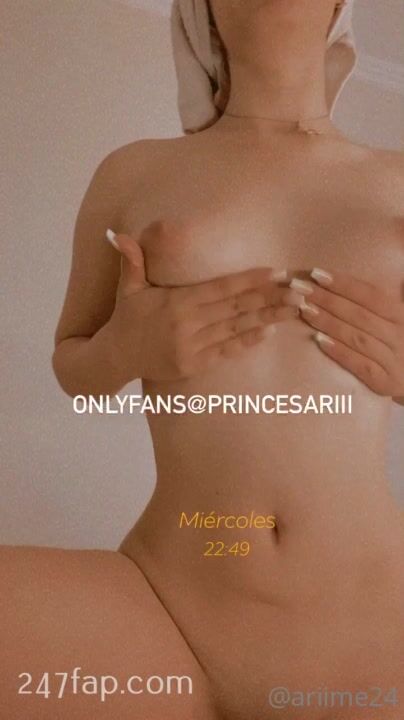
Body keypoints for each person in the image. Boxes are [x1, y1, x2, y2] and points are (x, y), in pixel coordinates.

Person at [2, 1, 404, 719]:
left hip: (370, 627)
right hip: (169, 607)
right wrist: (126, 349)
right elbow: (74, 368)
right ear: (203, 16)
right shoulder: (133, 170)